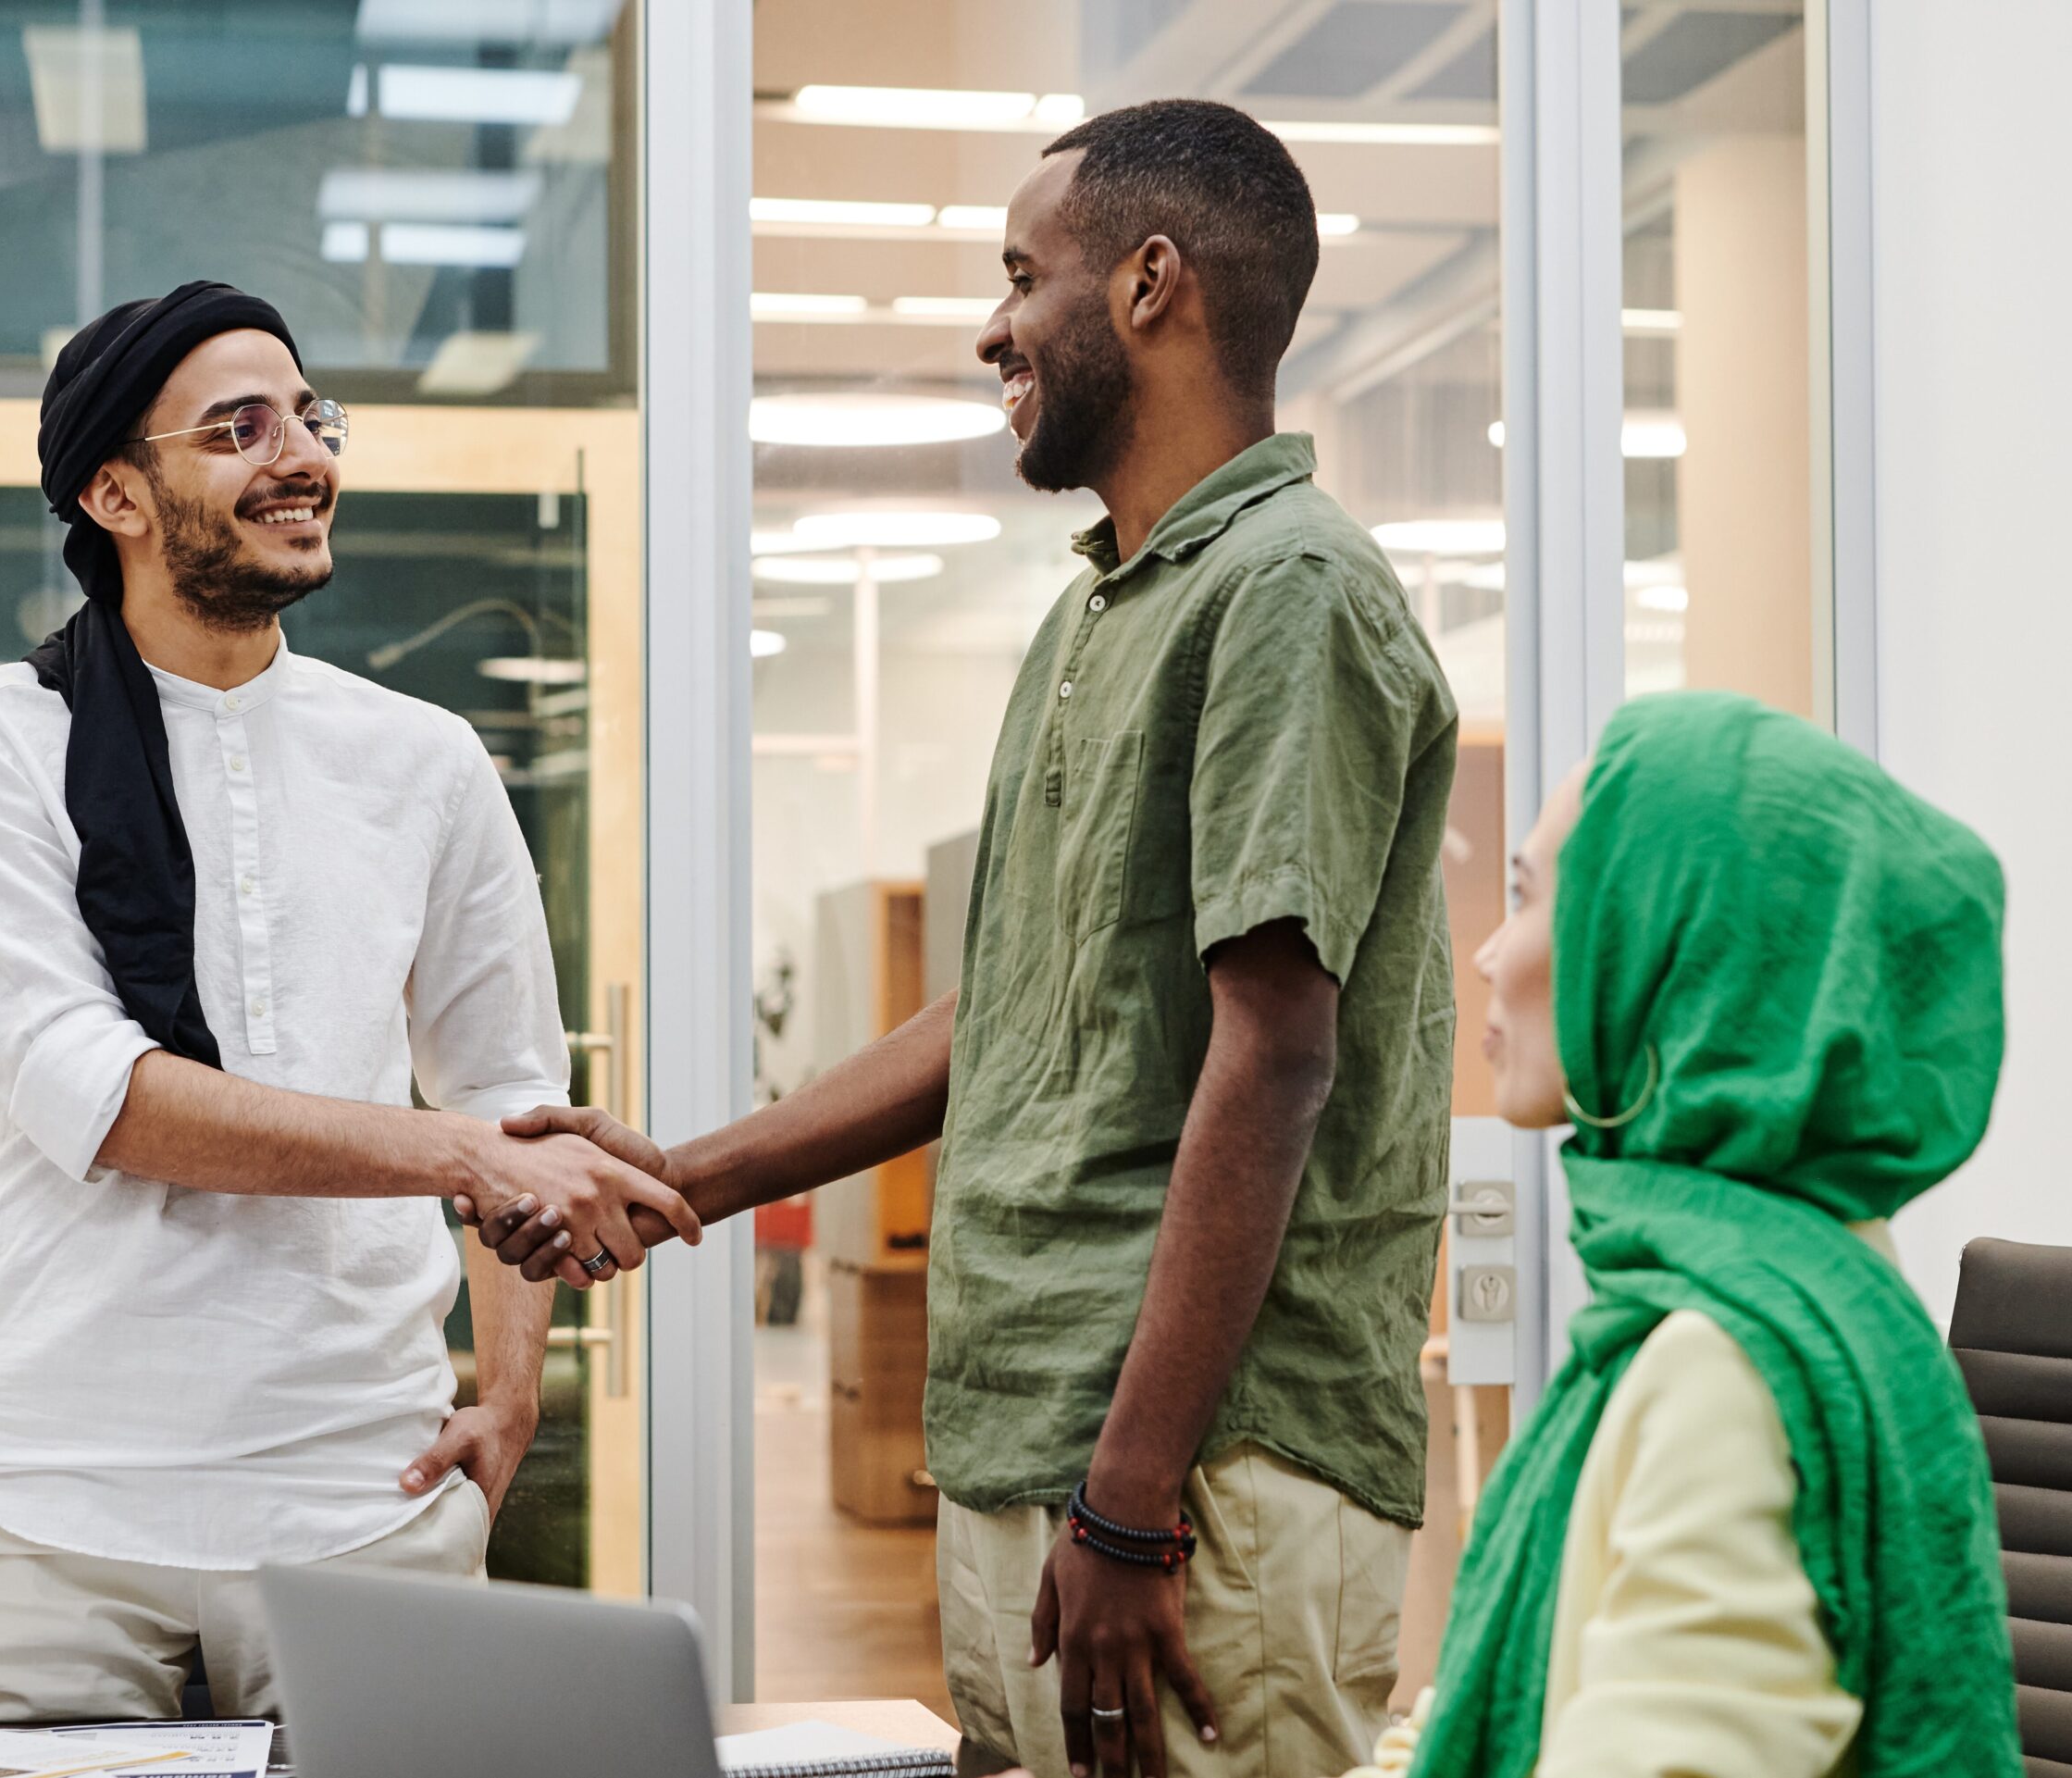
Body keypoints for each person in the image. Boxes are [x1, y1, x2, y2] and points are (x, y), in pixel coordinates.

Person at [478, 101, 1460, 1778]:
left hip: (1201, 1470)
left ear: (1152, 286)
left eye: (1025, 275)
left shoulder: (1289, 590)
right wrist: (682, 1181)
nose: (993, 326)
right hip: (1048, 1440)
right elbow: (1001, 1010)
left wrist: (1137, 1502)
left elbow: (1278, 1051)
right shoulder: (1101, 609)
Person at [0, 281, 696, 1722]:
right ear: (114, 491)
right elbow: (99, 1092)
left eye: (311, 416)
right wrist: (458, 1156)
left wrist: (510, 1392)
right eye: (238, 428)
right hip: (43, 1507)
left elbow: (508, 1085)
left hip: (363, 1491)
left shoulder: (426, 761)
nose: (302, 455)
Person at [1350, 691, 2021, 1778]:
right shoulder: (1793, 1283)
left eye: (1524, 898)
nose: (1487, 954)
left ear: (1658, 951)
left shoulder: (1727, 1365)